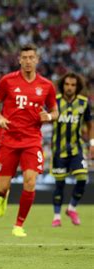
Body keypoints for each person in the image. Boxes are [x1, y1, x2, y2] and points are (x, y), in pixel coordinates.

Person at [0, 44, 59, 237]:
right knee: (1, 187)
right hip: (9, 139)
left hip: (32, 140)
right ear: (19, 59)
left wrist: (50, 117)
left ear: (37, 60)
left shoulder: (46, 85)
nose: (28, 61)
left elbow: (55, 111)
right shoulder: (7, 81)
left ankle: (18, 225)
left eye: (31, 57)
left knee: (30, 181)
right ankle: (2, 197)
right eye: (25, 57)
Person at [50, 72, 93, 227]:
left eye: (73, 85)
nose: (69, 87)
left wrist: (92, 143)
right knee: (59, 184)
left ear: (77, 87)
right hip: (58, 150)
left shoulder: (83, 103)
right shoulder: (54, 102)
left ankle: (72, 208)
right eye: (67, 84)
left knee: (82, 178)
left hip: (77, 149)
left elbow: (90, 124)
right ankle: (56, 217)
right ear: (63, 85)